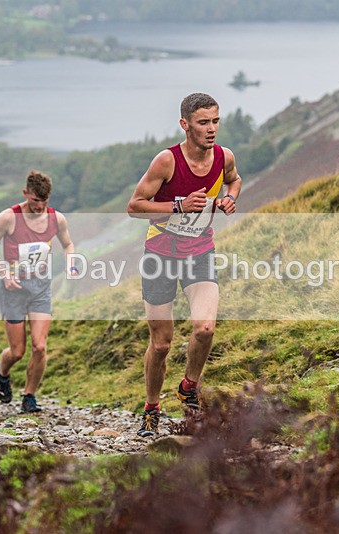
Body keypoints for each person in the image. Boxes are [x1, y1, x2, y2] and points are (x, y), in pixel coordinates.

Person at [127, 92, 242, 437]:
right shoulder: (167, 161)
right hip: (160, 254)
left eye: (215, 121)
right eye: (203, 123)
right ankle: (151, 407)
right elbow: (134, 206)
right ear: (185, 124)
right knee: (161, 343)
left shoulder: (224, 157)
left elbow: (235, 180)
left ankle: (188, 386)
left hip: (199, 251)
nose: (211, 130)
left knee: (205, 329)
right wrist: (178, 206)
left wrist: (228, 199)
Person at [0, 170, 76, 414]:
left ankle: (29, 397)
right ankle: (3, 372)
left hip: (40, 288)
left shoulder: (57, 219)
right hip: (14, 289)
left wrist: (70, 262)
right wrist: (3, 272)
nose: (40, 206)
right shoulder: (8, 217)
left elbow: (68, 244)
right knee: (17, 351)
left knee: (40, 347)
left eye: (44, 201)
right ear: (26, 194)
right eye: (35, 201)